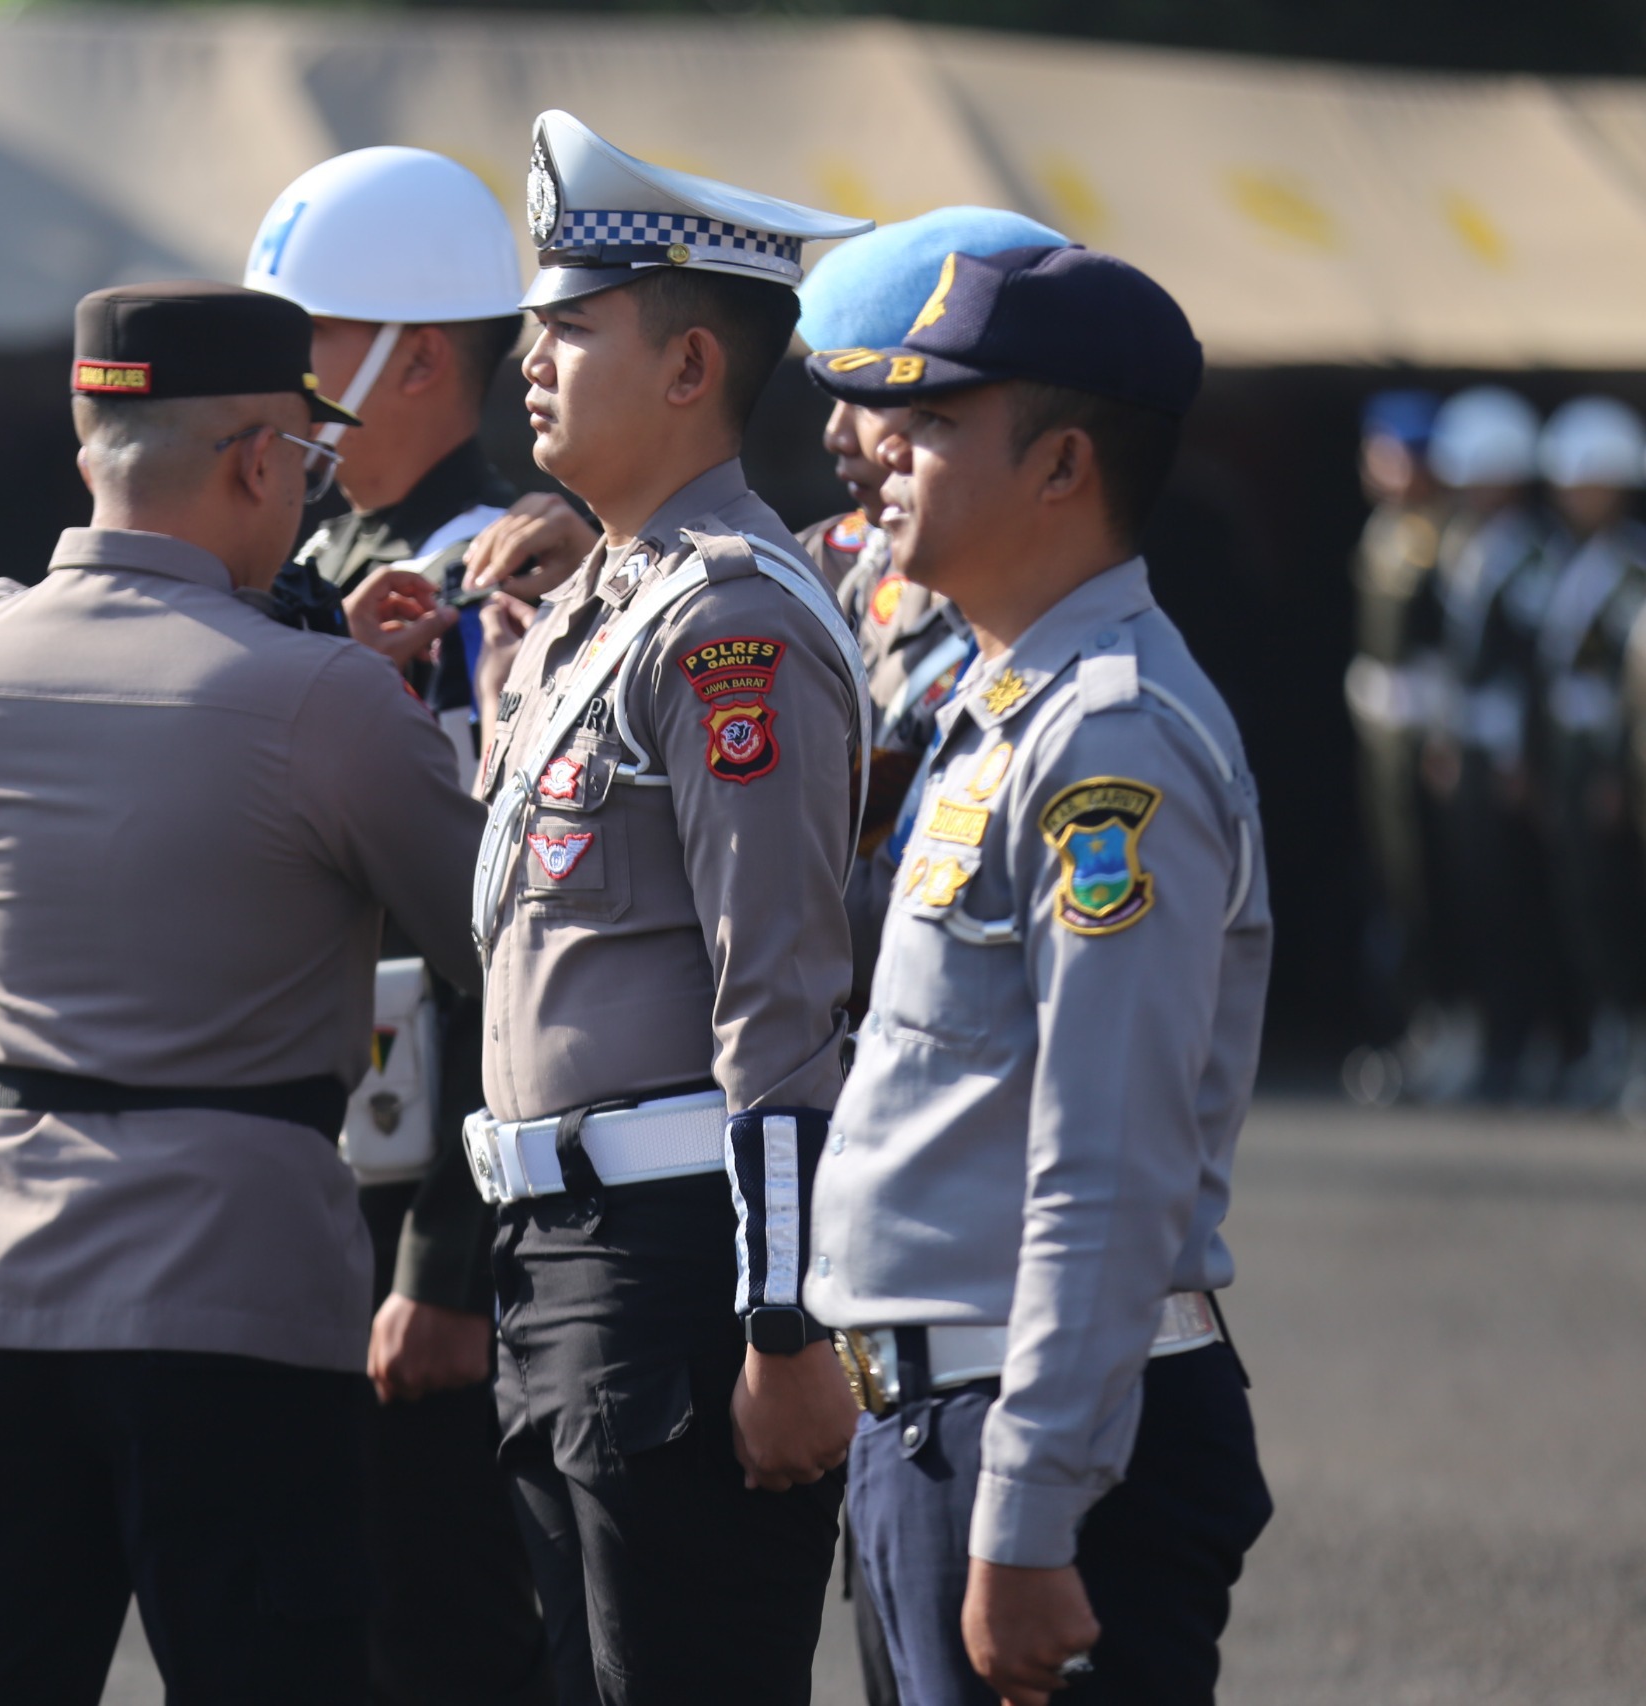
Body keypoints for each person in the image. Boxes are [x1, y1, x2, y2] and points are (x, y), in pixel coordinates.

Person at [0, 281, 485, 1706]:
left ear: (91, 447)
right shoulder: (331, 701)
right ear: (264, 462)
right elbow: (493, 934)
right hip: (239, 1285)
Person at [804, 244, 1273, 1706]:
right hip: (943, 1418)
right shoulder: (1003, 704)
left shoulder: (1107, 743)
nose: (888, 456)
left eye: (935, 424)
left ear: (1064, 463)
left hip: (1040, 1433)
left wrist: (1028, 1509)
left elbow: (1109, 1159)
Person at [460, 109, 871, 1703]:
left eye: (571, 326)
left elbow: (779, 995)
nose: (532, 357)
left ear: (693, 368)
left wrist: (785, 1320)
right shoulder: (603, 599)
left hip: (680, 1272)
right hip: (562, 1250)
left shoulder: (732, 626)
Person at [241, 147, 553, 1706]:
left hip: (419, 1192)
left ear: (417, 356)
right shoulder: (311, 567)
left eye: (306, 337)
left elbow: (494, 938)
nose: (273, 382)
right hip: (304, 1177)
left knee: (442, 1627)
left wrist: (444, 1251)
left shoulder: (494, 577)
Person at [790, 208, 1063, 1016]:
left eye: (875, 396)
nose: (838, 435)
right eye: (833, 393)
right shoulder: (820, 566)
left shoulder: (1053, 616)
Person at [1425, 385, 1569, 1100]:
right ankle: (1497, 1039)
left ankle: (1532, 1044)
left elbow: (1533, 668)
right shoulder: (1470, 546)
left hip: (1512, 751)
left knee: (1519, 901)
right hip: (1472, 744)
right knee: (1476, 898)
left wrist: (1522, 758)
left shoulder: (1533, 556)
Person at [1529, 397, 1646, 1106]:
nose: (1576, 498)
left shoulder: (1633, 568)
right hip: (1566, 749)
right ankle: (1601, 1035)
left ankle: (1630, 1037)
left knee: (1619, 898)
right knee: (1577, 899)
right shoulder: (1566, 561)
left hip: (1614, 753)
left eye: (1590, 483)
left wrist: (1614, 771)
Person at [1339, 389, 1455, 1097]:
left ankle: (1444, 1024)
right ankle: (1411, 1023)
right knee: (1390, 875)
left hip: (1424, 729)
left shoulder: (1440, 538)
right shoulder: (1385, 531)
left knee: (1428, 877)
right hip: (1379, 726)